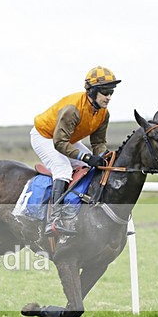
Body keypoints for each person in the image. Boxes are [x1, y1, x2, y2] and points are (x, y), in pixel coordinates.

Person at [30, 66, 120, 235]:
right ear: (92, 91)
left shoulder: (103, 113)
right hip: (45, 136)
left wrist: (101, 157)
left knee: (92, 167)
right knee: (63, 168)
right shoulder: (73, 109)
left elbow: (99, 142)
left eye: (111, 92)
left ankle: (77, 211)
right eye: (105, 91)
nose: (108, 97)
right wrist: (85, 157)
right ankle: (54, 220)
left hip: (66, 139)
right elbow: (59, 143)